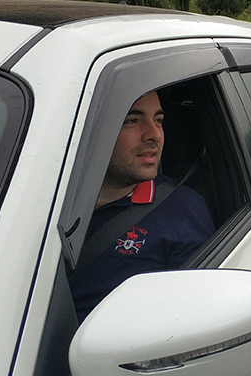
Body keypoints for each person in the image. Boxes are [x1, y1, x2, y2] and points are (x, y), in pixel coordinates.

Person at [69, 91, 215, 322]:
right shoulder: (45, 198)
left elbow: (191, 320)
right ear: (91, 131)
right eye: (131, 121)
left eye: (159, 121)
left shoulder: (182, 211)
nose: (154, 134)